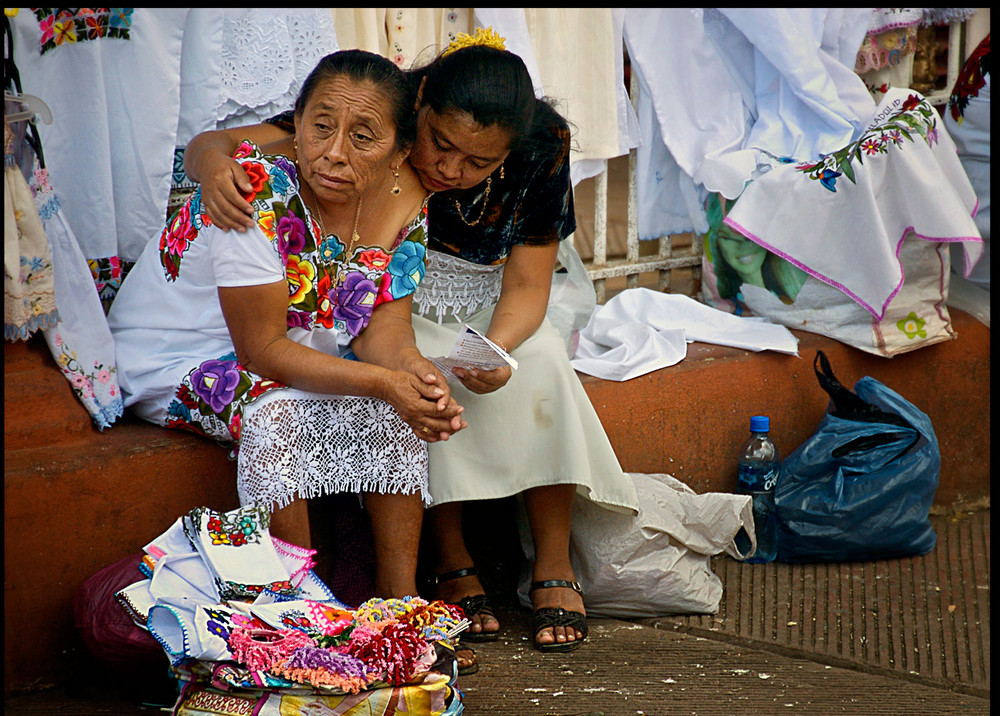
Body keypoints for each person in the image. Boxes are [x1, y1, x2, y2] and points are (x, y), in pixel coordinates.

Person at [183, 30, 639, 654]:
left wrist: (488, 351)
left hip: (453, 302)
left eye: (478, 163)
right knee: (411, 383)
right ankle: (436, 565)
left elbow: (523, 287)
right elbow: (229, 150)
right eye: (441, 145)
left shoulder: (521, 155)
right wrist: (213, 169)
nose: (451, 170)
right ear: (416, 111)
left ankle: (528, 569)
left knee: (536, 364)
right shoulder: (353, 129)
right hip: (350, 307)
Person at [107, 50, 466, 605]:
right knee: (275, 408)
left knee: (397, 400)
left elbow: (385, 329)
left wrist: (413, 374)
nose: (334, 153)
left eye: (363, 136)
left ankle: (401, 604)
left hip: (283, 349)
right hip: (177, 357)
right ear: (295, 126)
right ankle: (303, 610)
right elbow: (261, 353)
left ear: (400, 151)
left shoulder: (403, 203)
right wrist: (383, 382)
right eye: (321, 127)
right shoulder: (256, 194)